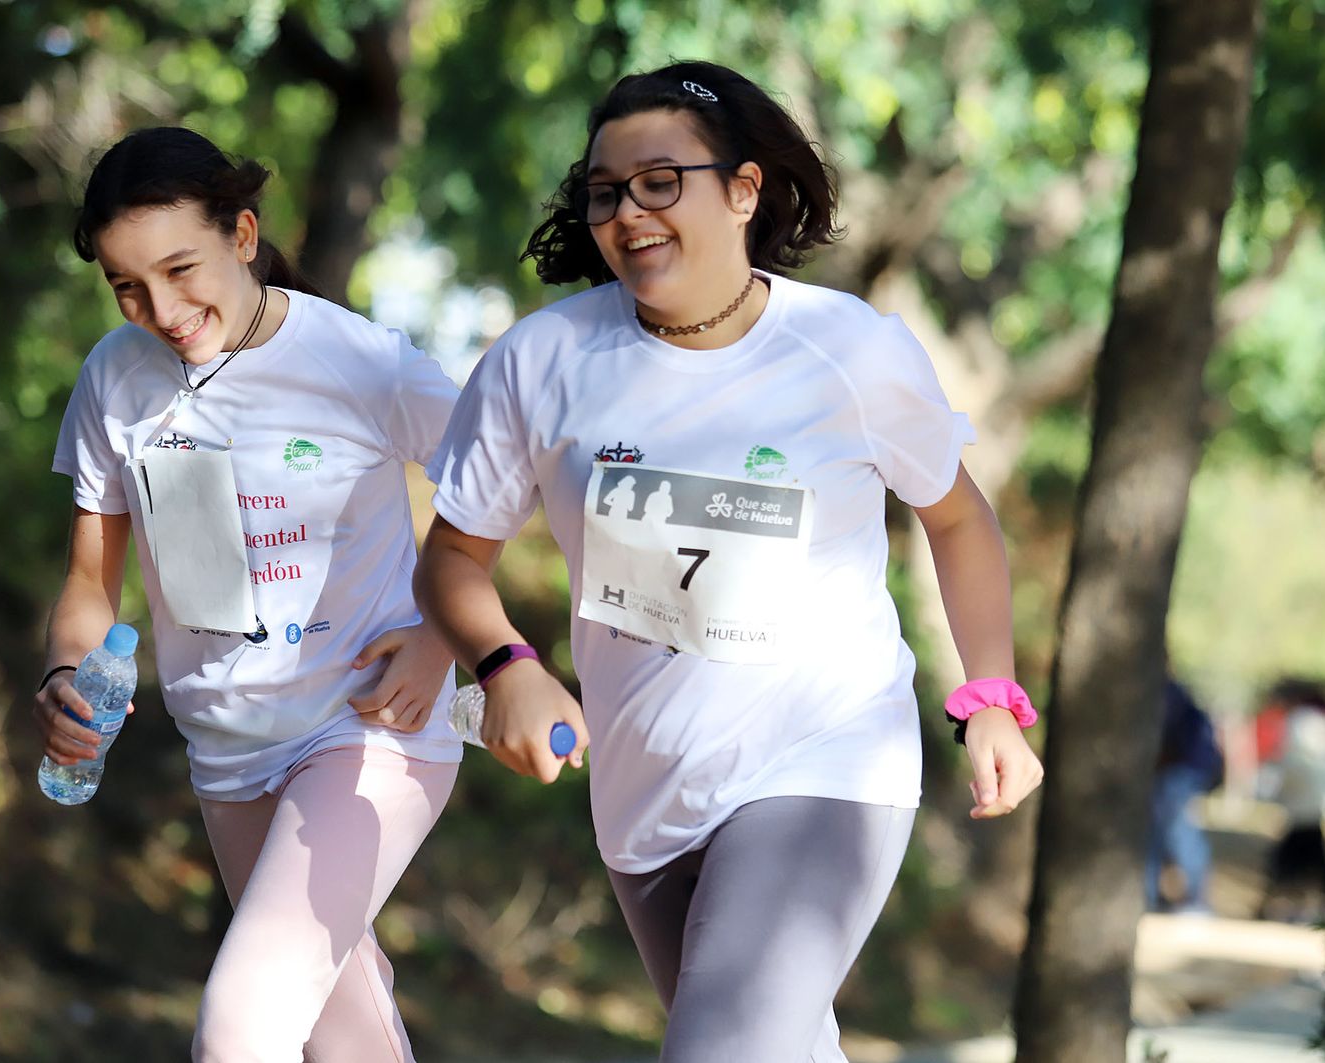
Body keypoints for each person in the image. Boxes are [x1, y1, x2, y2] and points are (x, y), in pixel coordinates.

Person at [413, 61, 1044, 1061]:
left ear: (744, 190)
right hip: (646, 795)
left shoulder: (847, 350)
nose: (628, 212)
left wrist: (991, 697)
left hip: (826, 761)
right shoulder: (541, 363)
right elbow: (451, 556)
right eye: (605, 192)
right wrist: (506, 666)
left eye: (660, 181)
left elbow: (959, 520)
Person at [32, 127, 461, 1062]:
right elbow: (89, 583)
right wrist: (64, 675)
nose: (160, 309)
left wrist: (443, 633)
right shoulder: (114, 379)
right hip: (227, 751)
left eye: (180, 269)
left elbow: (503, 485)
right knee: (342, 1042)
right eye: (127, 286)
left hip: (366, 729)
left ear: (243, 234)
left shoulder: (360, 362)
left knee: (238, 1026)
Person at [1257, 679, 1325, 924]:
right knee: (1311, 856)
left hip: (1304, 800)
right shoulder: (1322, 722)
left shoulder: (1298, 722)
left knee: (1292, 857)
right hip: (1316, 799)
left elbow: (1290, 761)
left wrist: (1274, 789)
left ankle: (1272, 905)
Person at [1146, 680, 1223, 914]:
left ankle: (1195, 901)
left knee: (1181, 833)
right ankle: (1152, 895)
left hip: (1180, 772)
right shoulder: (1169, 692)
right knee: (1161, 834)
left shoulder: (1164, 692)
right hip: (1181, 772)